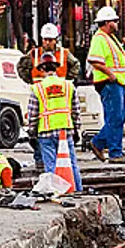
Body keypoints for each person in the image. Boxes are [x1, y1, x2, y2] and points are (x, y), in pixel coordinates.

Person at [27, 52, 81, 191]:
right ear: (56, 68)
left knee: (50, 166)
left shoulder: (37, 88)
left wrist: (31, 131)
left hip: (45, 132)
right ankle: (77, 190)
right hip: (65, 130)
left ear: (42, 69)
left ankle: (55, 192)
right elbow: (75, 110)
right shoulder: (68, 86)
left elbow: (33, 113)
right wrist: (76, 129)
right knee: (71, 163)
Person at [87, 6, 125, 165]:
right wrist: (110, 74)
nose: (117, 23)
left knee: (121, 116)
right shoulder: (99, 38)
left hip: (117, 83)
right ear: (107, 22)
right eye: (114, 20)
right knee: (115, 117)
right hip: (110, 83)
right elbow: (94, 59)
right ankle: (115, 152)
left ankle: (98, 142)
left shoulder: (109, 38)